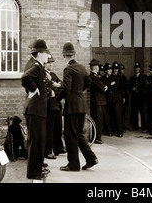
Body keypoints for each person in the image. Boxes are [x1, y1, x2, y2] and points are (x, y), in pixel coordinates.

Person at [58, 42, 98, 171]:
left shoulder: (68, 69)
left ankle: (74, 164)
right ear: (74, 54)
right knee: (79, 133)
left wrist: (58, 98)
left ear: (65, 56)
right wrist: (80, 91)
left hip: (72, 107)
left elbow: (66, 89)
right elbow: (89, 81)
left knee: (70, 135)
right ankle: (91, 158)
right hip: (81, 105)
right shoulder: (81, 67)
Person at [21, 39, 51, 180]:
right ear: (39, 53)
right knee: (36, 141)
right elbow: (25, 77)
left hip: (37, 109)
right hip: (35, 109)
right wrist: (34, 89)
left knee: (39, 141)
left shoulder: (37, 65)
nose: (48, 56)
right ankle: (34, 173)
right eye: (45, 53)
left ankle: (37, 169)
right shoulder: (36, 66)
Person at [44, 55, 66, 159]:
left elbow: (62, 85)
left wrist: (56, 86)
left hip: (57, 105)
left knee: (58, 128)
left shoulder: (53, 74)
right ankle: (48, 151)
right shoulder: (43, 75)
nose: (51, 65)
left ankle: (58, 148)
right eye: (49, 63)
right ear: (45, 64)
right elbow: (47, 88)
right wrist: (55, 86)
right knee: (49, 129)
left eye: (52, 63)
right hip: (49, 105)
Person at [89, 59, 109, 144]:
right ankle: (97, 138)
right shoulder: (95, 77)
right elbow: (102, 88)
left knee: (95, 120)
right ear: (96, 68)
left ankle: (95, 137)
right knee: (99, 120)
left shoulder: (92, 77)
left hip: (95, 101)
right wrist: (105, 87)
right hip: (99, 101)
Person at [103, 62, 124, 137]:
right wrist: (110, 84)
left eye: (110, 69)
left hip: (116, 99)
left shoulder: (116, 77)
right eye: (108, 70)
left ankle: (120, 132)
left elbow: (116, 86)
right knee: (108, 116)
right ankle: (110, 131)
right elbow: (102, 86)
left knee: (118, 115)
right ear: (105, 71)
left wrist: (107, 87)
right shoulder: (102, 78)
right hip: (108, 100)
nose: (110, 71)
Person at [129, 62, 148, 132]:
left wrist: (139, 89)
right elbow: (129, 86)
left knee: (142, 113)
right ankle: (135, 126)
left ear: (140, 69)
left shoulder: (144, 77)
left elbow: (145, 87)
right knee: (134, 112)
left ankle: (144, 127)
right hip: (134, 98)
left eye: (138, 68)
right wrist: (132, 89)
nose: (137, 69)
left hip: (141, 98)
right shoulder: (131, 78)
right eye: (135, 68)